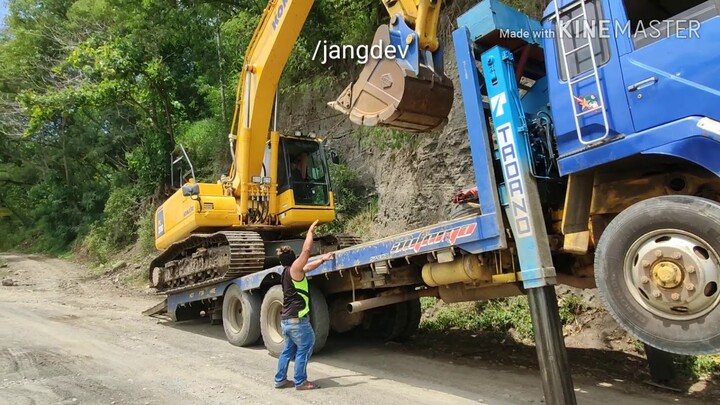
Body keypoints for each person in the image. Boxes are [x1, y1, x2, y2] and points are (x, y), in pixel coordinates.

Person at [273, 219, 334, 391]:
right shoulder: (294, 269)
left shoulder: (288, 272)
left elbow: (308, 267)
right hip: (297, 320)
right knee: (306, 346)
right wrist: (310, 231)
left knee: (287, 351)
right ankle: (300, 382)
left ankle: (280, 380)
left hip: (286, 320)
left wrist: (322, 260)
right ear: (293, 259)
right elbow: (306, 252)